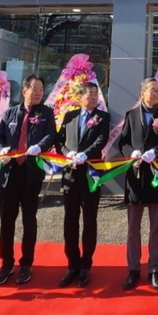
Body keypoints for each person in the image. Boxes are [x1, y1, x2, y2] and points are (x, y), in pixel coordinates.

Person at [0, 74, 56, 285]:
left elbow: (51, 135)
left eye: (41, 90)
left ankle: (26, 262)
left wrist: (40, 146)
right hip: (9, 173)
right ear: (25, 91)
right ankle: (6, 263)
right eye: (34, 89)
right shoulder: (10, 113)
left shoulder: (46, 113)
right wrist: (0, 149)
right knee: (6, 220)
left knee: (29, 218)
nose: (38, 93)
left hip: (31, 173)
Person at [116, 78, 158, 292]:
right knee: (133, 227)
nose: (156, 93)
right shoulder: (131, 115)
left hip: (156, 175)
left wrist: (155, 152)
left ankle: (154, 269)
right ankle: (133, 269)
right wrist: (131, 153)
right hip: (135, 176)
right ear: (142, 94)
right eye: (152, 90)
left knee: (156, 226)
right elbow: (122, 142)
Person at [56, 81, 110, 288]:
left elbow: (102, 139)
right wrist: (67, 153)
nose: (94, 96)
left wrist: (85, 154)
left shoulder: (102, 117)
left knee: (89, 219)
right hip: (70, 174)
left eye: (96, 93)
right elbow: (59, 140)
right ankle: (72, 264)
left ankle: (86, 264)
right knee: (70, 219)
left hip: (90, 174)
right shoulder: (70, 116)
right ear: (80, 97)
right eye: (90, 93)